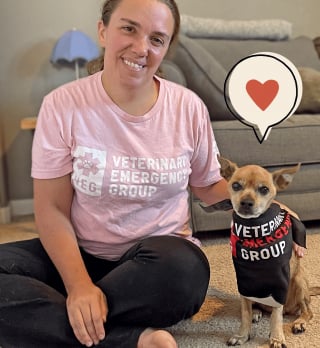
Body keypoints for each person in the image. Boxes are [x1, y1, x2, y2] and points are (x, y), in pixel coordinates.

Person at [0, 0, 230, 347]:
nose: (141, 48)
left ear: (166, 48)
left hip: (157, 263)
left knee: (184, 273)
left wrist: (268, 207)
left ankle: (59, 319)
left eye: (157, 39)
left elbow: (208, 185)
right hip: (81, 254)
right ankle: (128, 338)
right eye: (129, 28)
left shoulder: (188, 107)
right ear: (103, 30)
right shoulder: (61, 105)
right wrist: (78, 285)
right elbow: (52, 210)